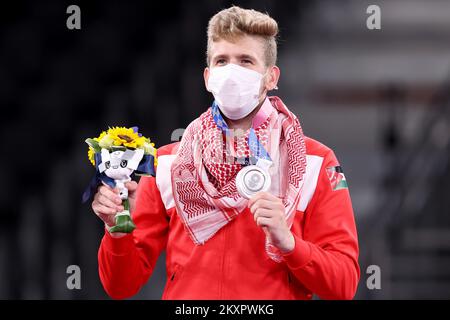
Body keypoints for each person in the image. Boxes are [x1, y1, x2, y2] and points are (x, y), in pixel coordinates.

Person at [92, 6, 360, 300]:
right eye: (222, 61)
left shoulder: (314, 162)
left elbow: (343, 285)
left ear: (271, 77)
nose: (232, 73)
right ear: (208, 77)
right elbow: (121, 286)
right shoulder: (169, 162)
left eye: (246, 61)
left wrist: (290, 244)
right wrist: (118, 229)